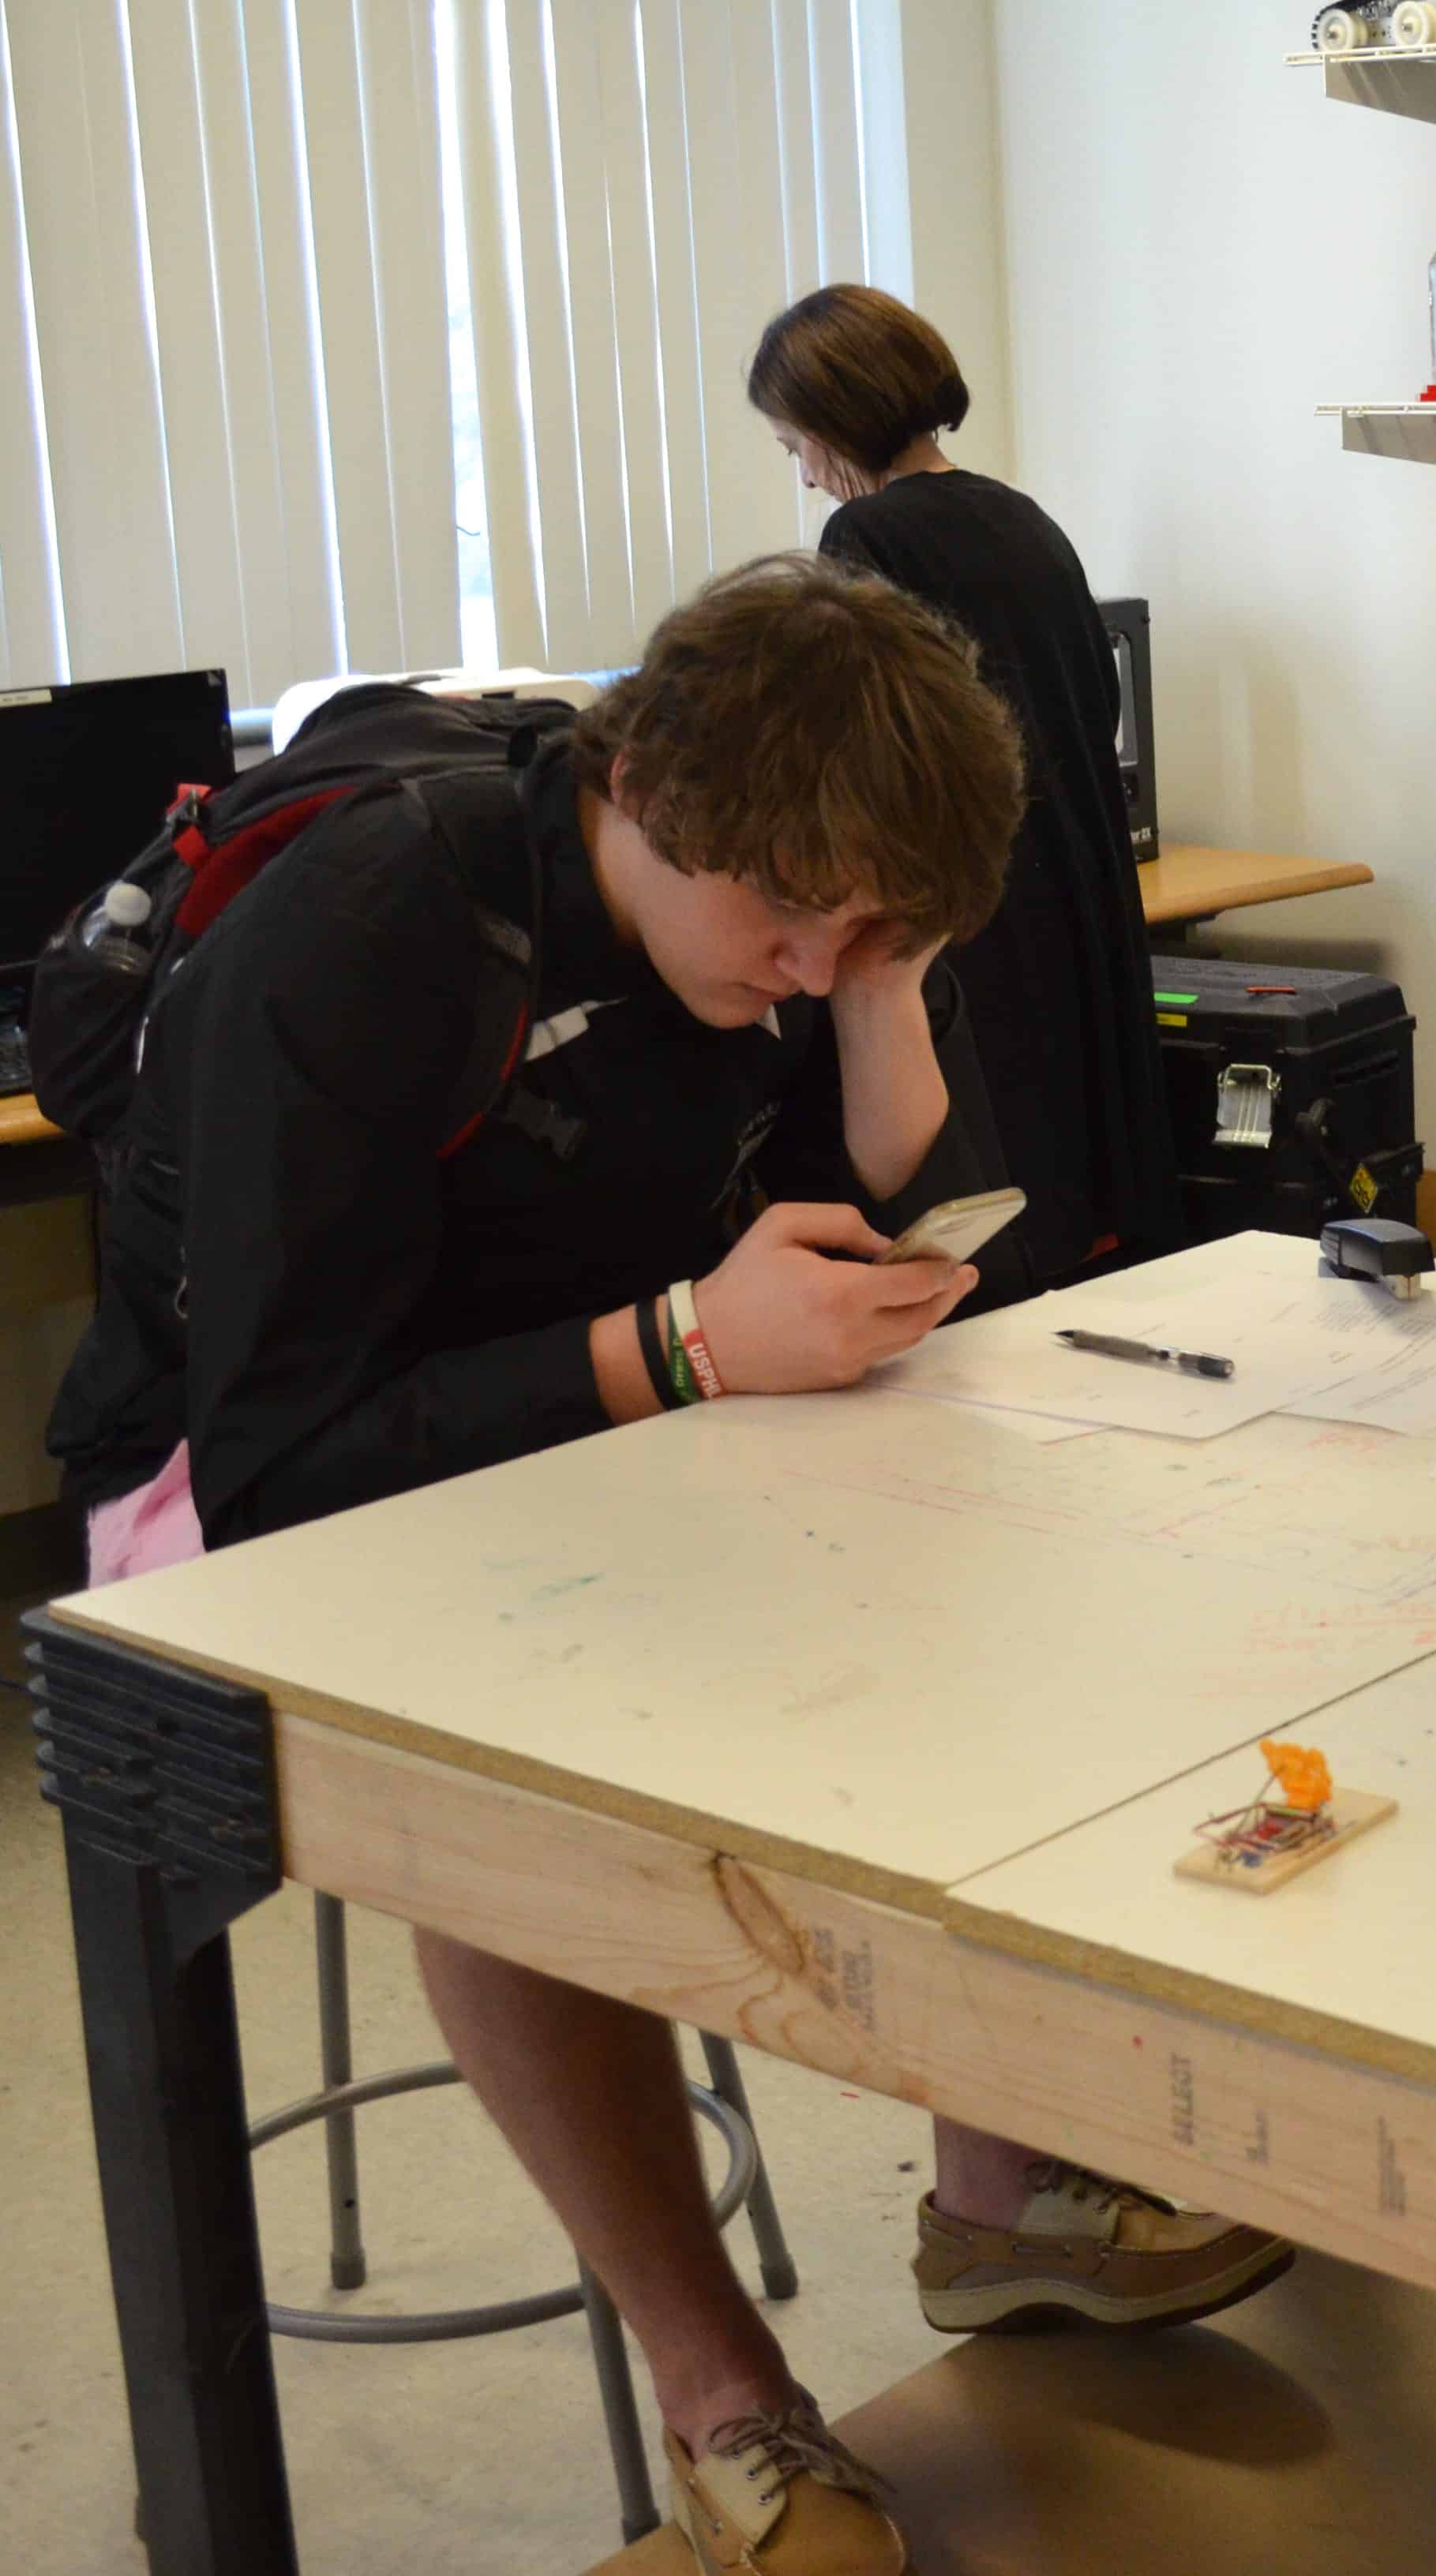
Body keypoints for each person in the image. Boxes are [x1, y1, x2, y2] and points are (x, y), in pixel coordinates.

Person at [47, 558, 1291, 2576]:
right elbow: (280, 1465)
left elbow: (851, 1167)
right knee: (530, 1782)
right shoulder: (380, 930)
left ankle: (997, 2190)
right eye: (789, 929)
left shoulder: (791, 905)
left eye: (865, 933)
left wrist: (881, 981)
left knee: (965, 1578)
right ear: (633, 791)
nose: (810, 965)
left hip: (577, 1416)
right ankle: (731, 2400)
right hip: (230, 1497)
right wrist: (683, 1345)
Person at [752, 282, 1175, 1297]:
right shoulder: (1022, 519)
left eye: (798, 445)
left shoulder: (867, 543)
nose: (809, 478)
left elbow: (869, 761)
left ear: (834, 419)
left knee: (993, 1207)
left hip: (978, 917)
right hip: (1077, 886)